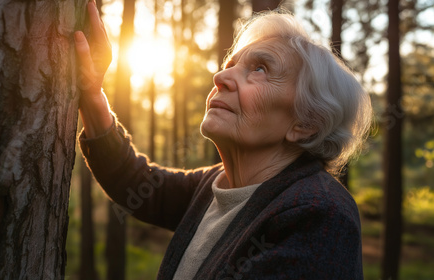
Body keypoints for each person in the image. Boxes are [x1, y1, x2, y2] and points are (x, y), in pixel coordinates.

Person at [74, 1, 372, 279]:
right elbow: (138, 185)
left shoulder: (318, 214)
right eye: (230, 64)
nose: (221, 77)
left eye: (259, 69)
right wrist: (91, 93)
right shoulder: (219, 183)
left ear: (306, 124)